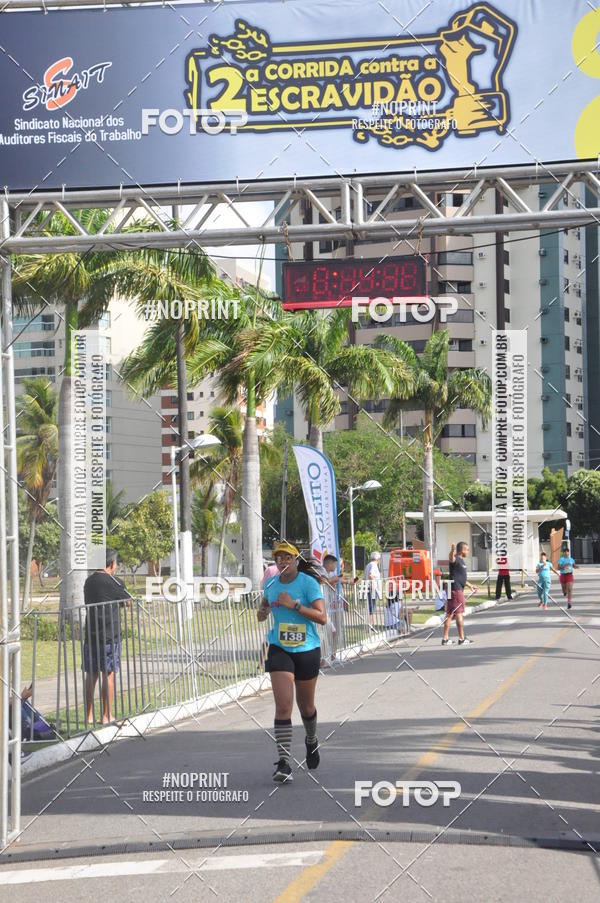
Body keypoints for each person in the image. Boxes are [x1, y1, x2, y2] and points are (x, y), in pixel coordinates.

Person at [257, 541, 327, 783]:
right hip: (279, 648)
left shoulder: (308, 584)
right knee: (283, 706)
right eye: (279, 558)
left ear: (296, 560)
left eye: (288, 557)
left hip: (307, 649)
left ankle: (311, 740)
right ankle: (284, 763)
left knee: (306, 707)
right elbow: (264, 605)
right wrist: (262, 612)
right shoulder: (271, 584)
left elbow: (322, 617)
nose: (283, 562)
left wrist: (294, 605)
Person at [83, 548, 131, 725]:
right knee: (108, 675)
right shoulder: (115, 581)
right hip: (110, 635)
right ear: (112, 563)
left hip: (91, 634)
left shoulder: (89, 581)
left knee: (91, 675)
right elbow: (127, 601)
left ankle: (89, 716)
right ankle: (107, 715)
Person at [442, 541, 478, 646]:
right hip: (456, 590)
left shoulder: (461, 561)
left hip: (452, 589)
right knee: (459, 613)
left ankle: (445, 639)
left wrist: (470, 585)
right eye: (467, 549)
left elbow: (460, 577)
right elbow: (451, 558)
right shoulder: (456, 559)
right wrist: (452, 550)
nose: (468, 551)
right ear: (462, 550)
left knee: (449, 614)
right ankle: (462, 638)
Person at [363, 551, 382, 626]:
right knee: (372, 606)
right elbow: (371, 575)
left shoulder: (368, 565)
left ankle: (370, 623)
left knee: (370, 606)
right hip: (372, 588)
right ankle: (370, 623)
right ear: (378, 559)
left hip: (368, 587)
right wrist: (373, 584)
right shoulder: (373, 565)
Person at [557, 542, 577, 609]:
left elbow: (573, 565)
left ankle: (569, 603)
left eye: (567, 552)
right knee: (564, 589)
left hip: (569, 575)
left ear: (569, 552)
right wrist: (564, 566)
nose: (566, 553)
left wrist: (576, 566)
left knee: (570, 589)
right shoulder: (561, 559)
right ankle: (564, 592)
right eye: (565, 552)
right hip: (563, 575)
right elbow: (558, 568)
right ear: (563, 553)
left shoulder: (571, 559)